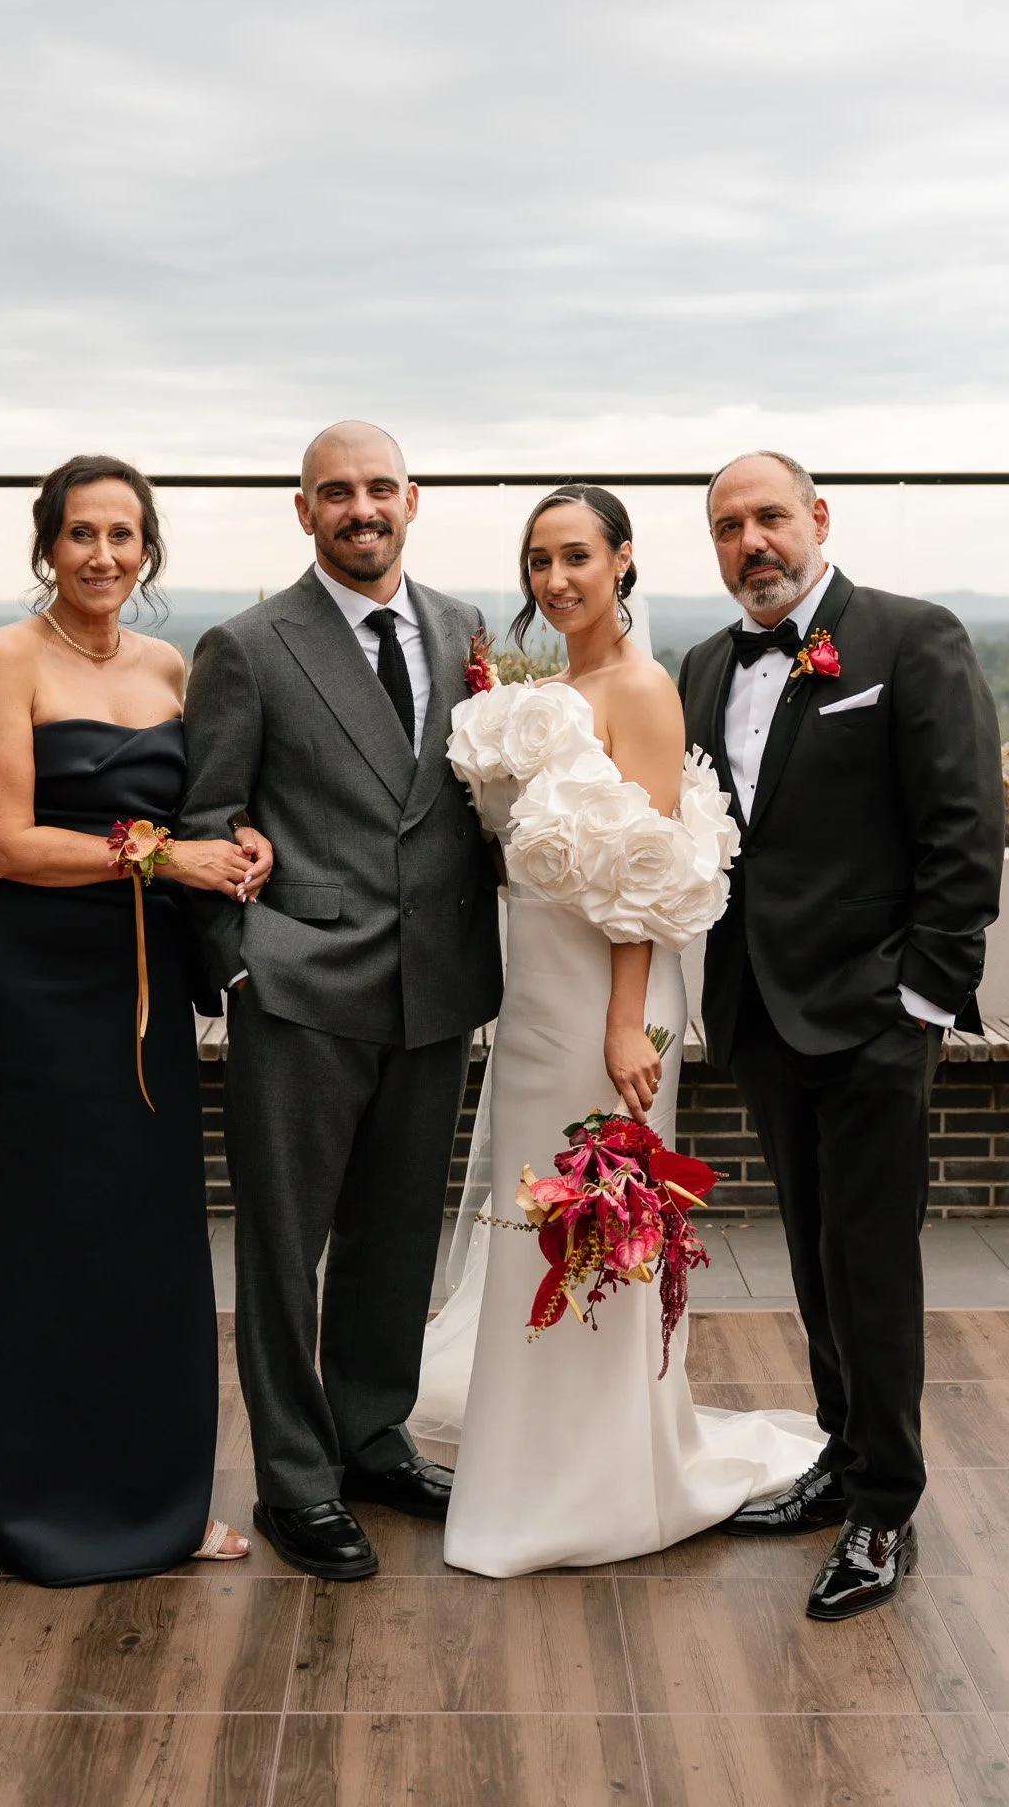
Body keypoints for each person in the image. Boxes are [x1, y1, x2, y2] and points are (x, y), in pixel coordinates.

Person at [414, 483, 820, 1578]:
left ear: (625, 560)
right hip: (539, 987)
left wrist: (626, 1021)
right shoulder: (554, 685)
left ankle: (600, 1479)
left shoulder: (639, 688)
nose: (556, 578)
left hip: (610, 995)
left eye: (578, 555)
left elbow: (647, 871)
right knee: (532, 1214)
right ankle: (528, 1458)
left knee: (603, 1221)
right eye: (539, 559)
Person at [679, 450, 1004, 1620]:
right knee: (815, 1251)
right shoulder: (705, 662)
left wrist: (922, 995)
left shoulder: (914, 640)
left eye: (769, 517)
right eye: (728, 526)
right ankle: (838, 1452)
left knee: (872, 1261)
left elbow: (964, 826)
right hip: (760, 1012)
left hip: (873, 1015)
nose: (751, 541)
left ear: (818, 517)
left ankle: (885, 1507)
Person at [0, 454, 272, 1585]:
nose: (102, 554)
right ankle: (22, 1497)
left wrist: (239, 842)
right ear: (49, 543)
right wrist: (165, 852)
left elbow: (194, 811)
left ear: (148, 549)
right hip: (25, 978)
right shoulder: (6, 657)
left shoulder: (170, 663)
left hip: (140, 981)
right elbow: (7, 842)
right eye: (81, 532)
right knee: (35, 1229)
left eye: (123, 534)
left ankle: (157, 1501)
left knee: (141, 1227)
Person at [180, 420, 503, 1581]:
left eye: (378, 488)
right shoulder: (249, 644)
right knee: (285, 1247)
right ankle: (296, 1480)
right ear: (303, 509)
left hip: (436, 992)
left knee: (395, 1239)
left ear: (411, 498)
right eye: (335, 492)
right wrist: (241, 965)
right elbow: (206, 819)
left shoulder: (468, 629)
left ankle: (373, 1438)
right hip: (301, 986)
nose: (360, 508)